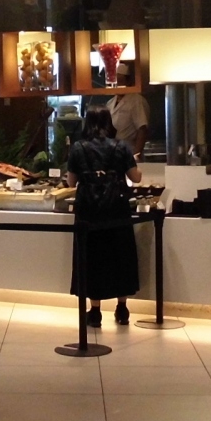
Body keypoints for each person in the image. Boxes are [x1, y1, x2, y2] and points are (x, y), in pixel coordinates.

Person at [67, 107, 142, 326]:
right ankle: (122, 309)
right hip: (117, 210)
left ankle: (95, 311)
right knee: (120, 256)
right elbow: (136, 177)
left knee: (92, 258)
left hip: (89, 213)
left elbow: (71, 182)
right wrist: (134, 163)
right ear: (109, 122)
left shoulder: (78, 148)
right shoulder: (121, 146)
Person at [106, 91, 150, 160]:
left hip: (130, 151)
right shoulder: (110, 103)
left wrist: (136, 155)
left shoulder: (137, 100)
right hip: (113, 152)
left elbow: (142, 129)